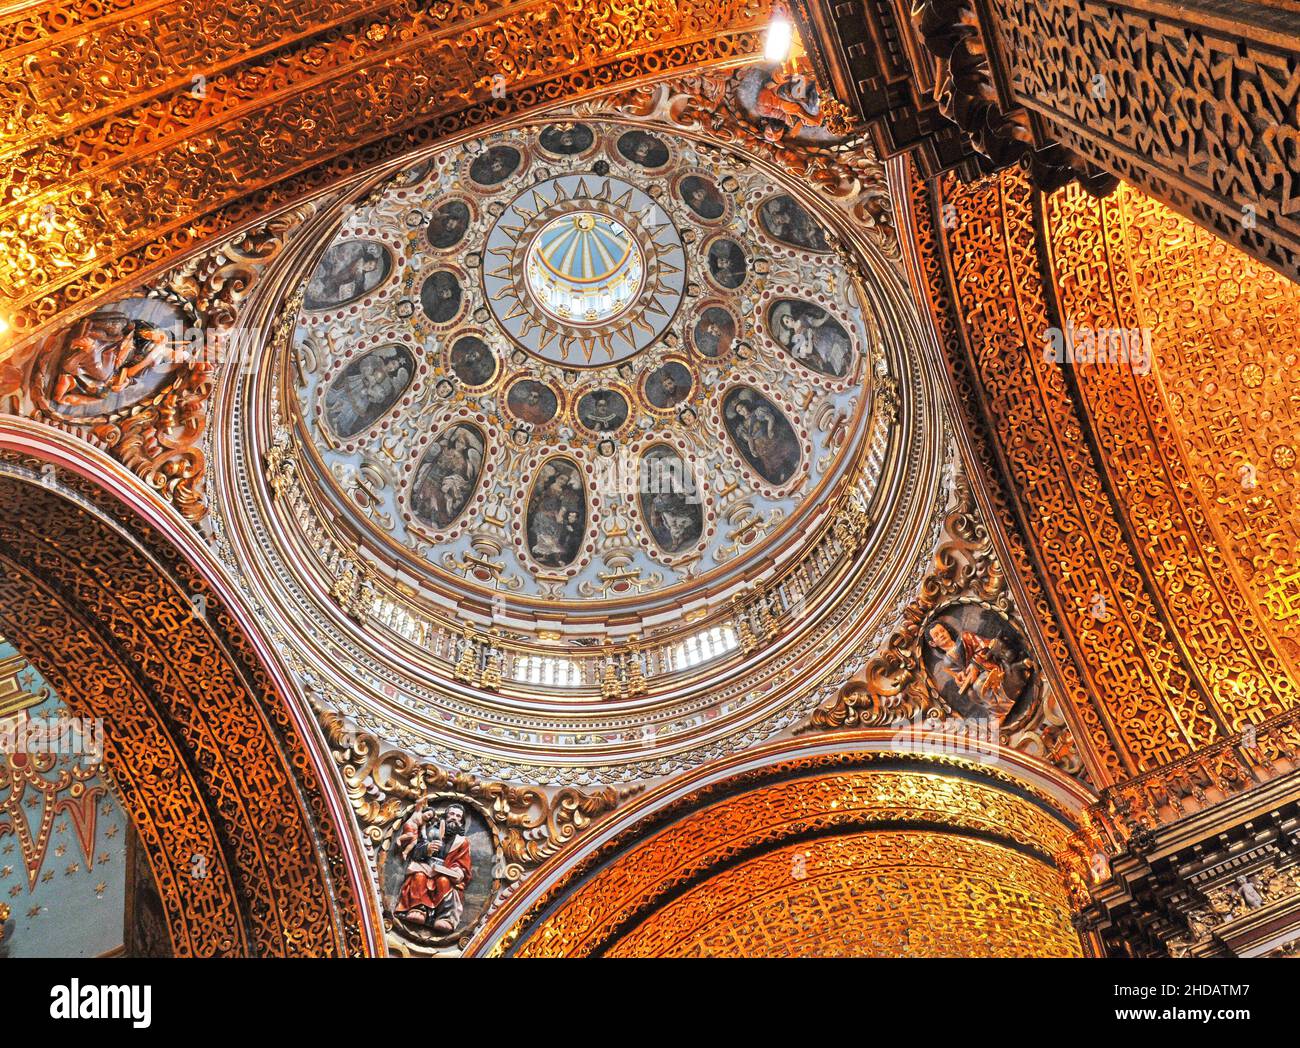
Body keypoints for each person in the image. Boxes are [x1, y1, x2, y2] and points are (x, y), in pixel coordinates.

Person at [394, 802, 473, 935]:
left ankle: (445, 917)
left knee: (443, 881)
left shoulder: (462, 841)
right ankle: (418, 908)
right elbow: (415, 850)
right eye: (452, 814)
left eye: (458, 816)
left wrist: (457, 870)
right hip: (426, 866)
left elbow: (464, 863)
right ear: (445, 815)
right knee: (419, 875)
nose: (454, 817)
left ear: (462, 820)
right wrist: (427, 848)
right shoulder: (430, 830)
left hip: (445, 873)